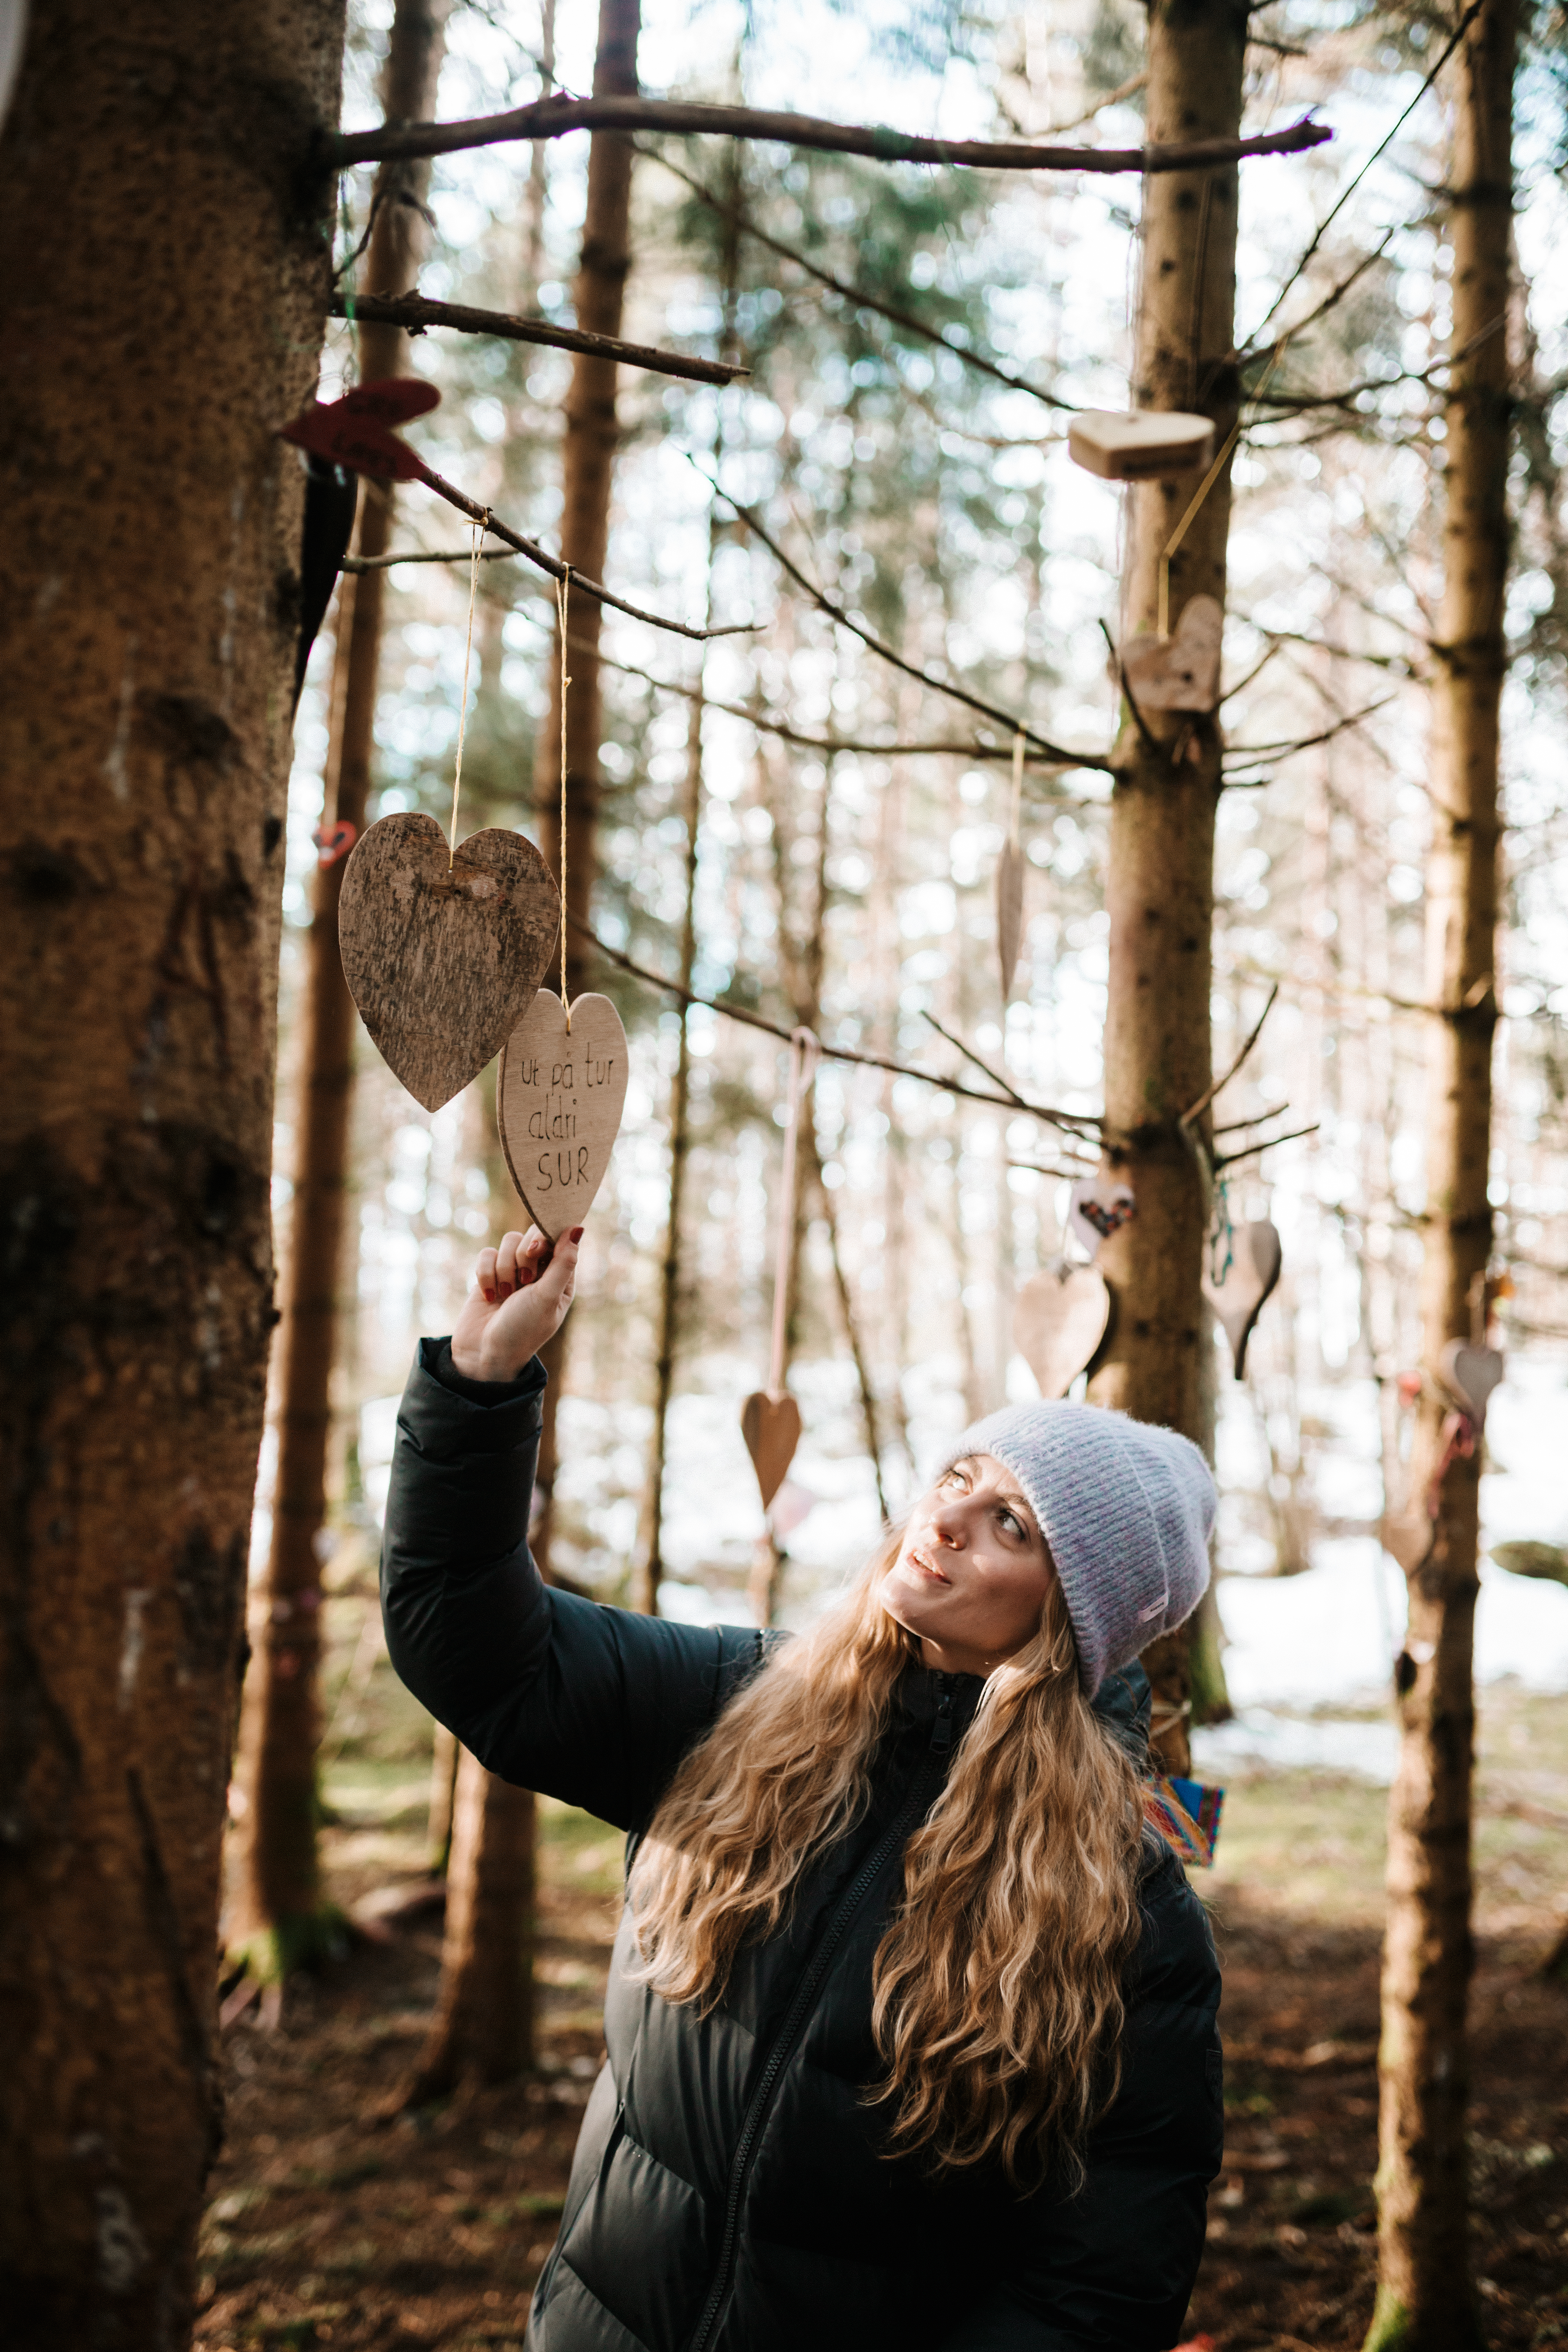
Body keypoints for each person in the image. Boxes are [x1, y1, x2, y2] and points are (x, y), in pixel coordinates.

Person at [383, 1224, 1224, 2352]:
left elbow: (1101, 2286)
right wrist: (482, 1385)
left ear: (1074, 1614)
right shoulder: (739, 1699)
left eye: (1009, 1525)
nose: (943, 1524)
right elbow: (479, 1654)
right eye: (958, 1480)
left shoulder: (1130, 1907)